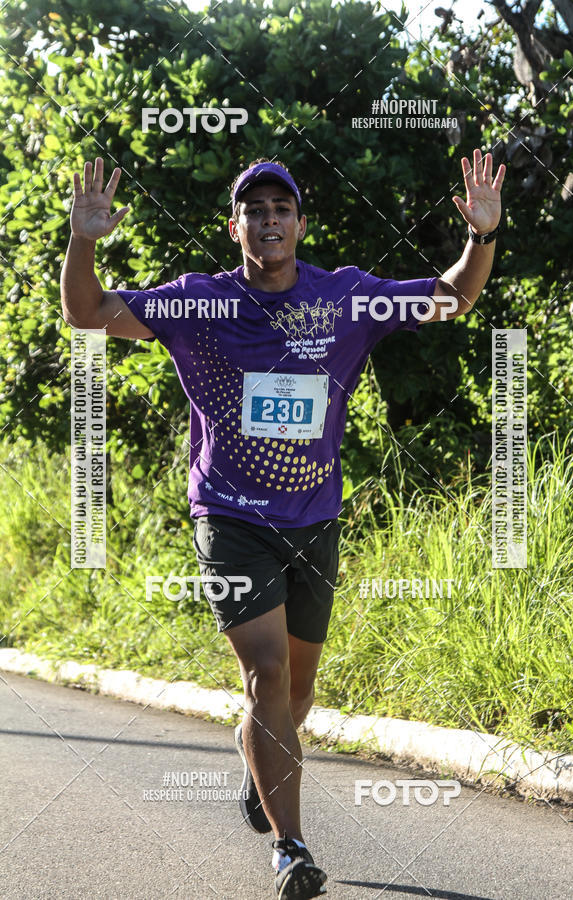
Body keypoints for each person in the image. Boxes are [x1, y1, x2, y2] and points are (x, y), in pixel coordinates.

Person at [60, 150, 505, 899]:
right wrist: (83, 242)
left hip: (315, 521)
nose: (269, 221)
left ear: (299, 224)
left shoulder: (346, 299)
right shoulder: (198, 302)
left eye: (281, 210)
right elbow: (85, 312)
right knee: (264, 675)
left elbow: (451, 298)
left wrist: (482, 237)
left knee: (294, 698)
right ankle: (292, 849)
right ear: (235, 226)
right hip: (231, 519)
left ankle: (255, 756)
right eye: (255, 212)